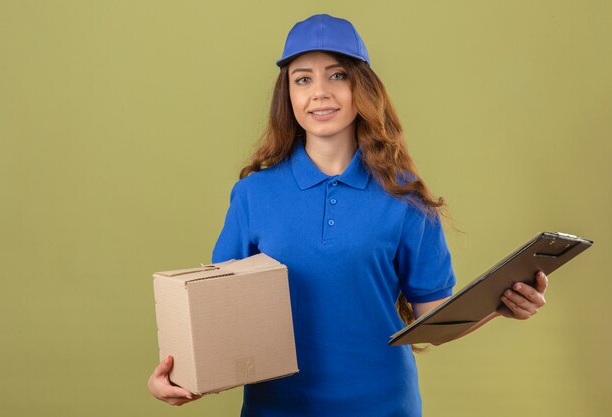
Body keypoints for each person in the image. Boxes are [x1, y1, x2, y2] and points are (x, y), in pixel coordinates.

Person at [148, 14, 548, 416]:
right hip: (278, 408)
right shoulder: (254, 194)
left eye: (337, 76)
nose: (319, 92)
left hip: (384, 405)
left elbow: (434, 317)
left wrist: (500, 306)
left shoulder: (405, 197)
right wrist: (181, 378)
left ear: (363, 89)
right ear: (287, 95)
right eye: (303, 79)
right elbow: (219, 319)